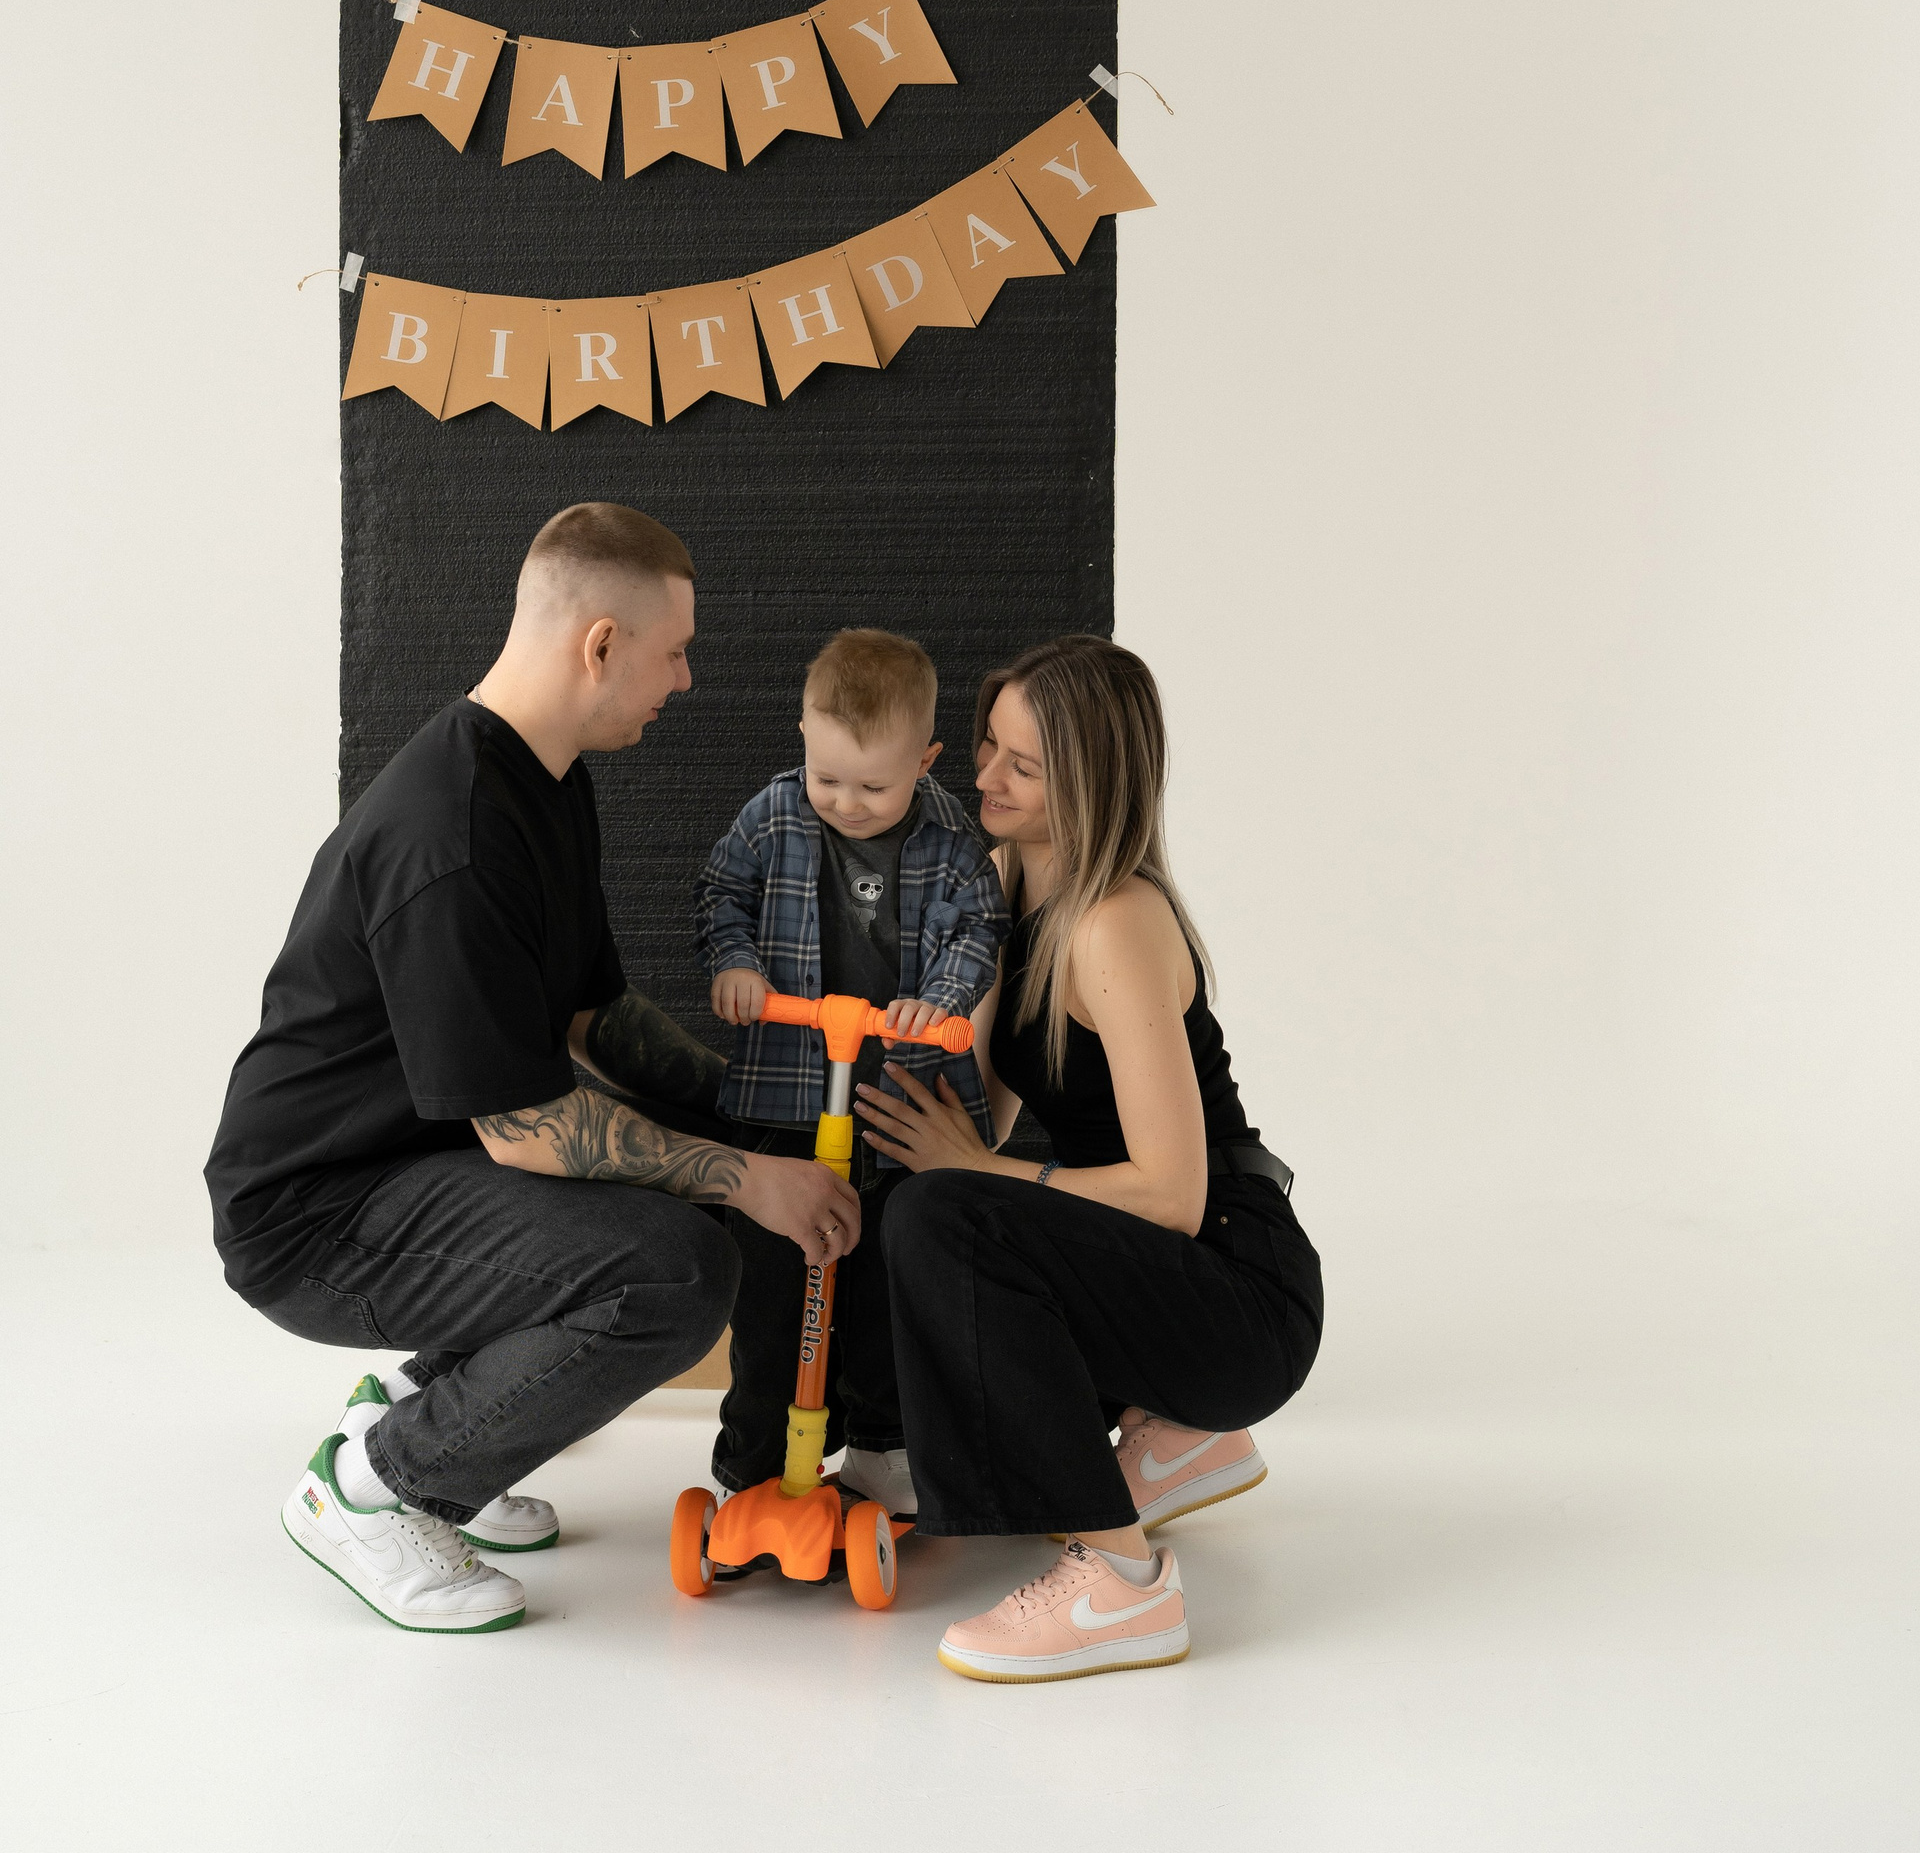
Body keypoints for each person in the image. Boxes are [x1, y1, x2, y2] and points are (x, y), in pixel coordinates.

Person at [204, 503, 861, 1637]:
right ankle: (376, 1487)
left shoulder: (546, 780)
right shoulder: (451, 830)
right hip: (318, 1215)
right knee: (674, 1272)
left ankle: (422, 1403)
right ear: (600, 644)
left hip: (424, 1165)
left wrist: (755, 1113)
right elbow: (527, 1131)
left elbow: (595, 1019)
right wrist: (751, 1181)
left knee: (706, 1178)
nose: (687, 679)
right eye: (674, 652)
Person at [858, 635, 1323, 1683]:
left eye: (1022, 766)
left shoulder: (1116, 923)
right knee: (907, 1198)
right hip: (1151, 1271)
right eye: (988, 745)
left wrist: (968, 1174)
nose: (986, 776)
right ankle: (1175, 1437)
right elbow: (980, 1113)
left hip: (1239, 1289)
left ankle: (1123, 1584)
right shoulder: (1003, 881)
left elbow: (1172, 1193)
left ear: (1090, 783)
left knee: (941, 1214)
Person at [694, 628, 1007, 1517]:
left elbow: (979, 929)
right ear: (802, 735)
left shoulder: (953, 840)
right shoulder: (773, 814)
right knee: (770, 1292)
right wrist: (735, 963)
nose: (848, 803)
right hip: (785, 1091)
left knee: (883, 1290)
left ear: (925, 760)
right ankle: (752, 1468)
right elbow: (722, 893)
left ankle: (881, 1448)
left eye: (875, 786)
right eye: (828, 778)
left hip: (900, 1100)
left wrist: (938, 1000)